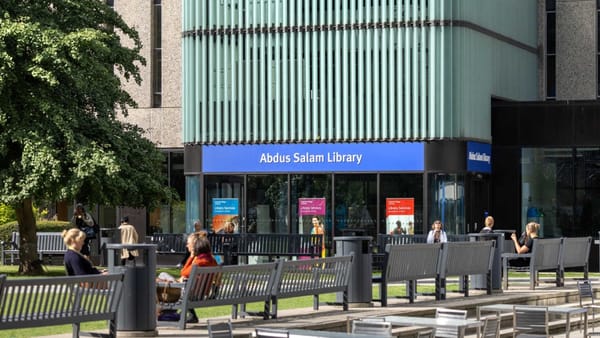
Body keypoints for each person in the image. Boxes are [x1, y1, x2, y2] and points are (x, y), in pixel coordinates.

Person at [157, 232, 217, 323]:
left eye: (188, 243)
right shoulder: (211, 260)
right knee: (164, 276)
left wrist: (191, 257)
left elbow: (183, 272)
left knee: (162, 275)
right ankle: (179, 314)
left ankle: (165, 312)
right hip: (200, 293)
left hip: (190, 293)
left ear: (196, 246)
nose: (187, 245)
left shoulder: (200, 261)